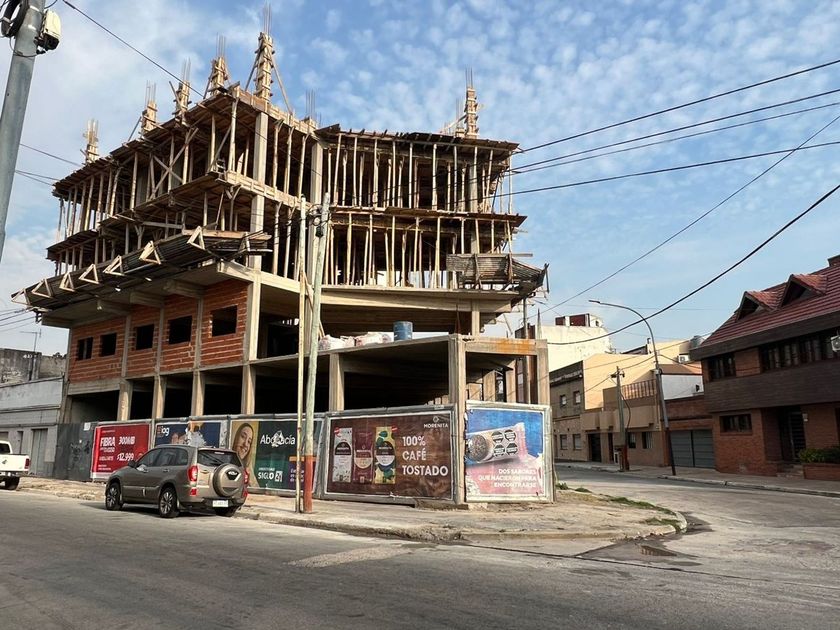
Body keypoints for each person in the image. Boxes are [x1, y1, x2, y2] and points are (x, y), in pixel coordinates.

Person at [231, 422, 256, 486]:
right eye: (243, 437)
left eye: (249, 441)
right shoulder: (226, 463)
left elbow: (256, 488)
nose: (245, 444)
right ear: (236, 437)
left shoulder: (248, 469)